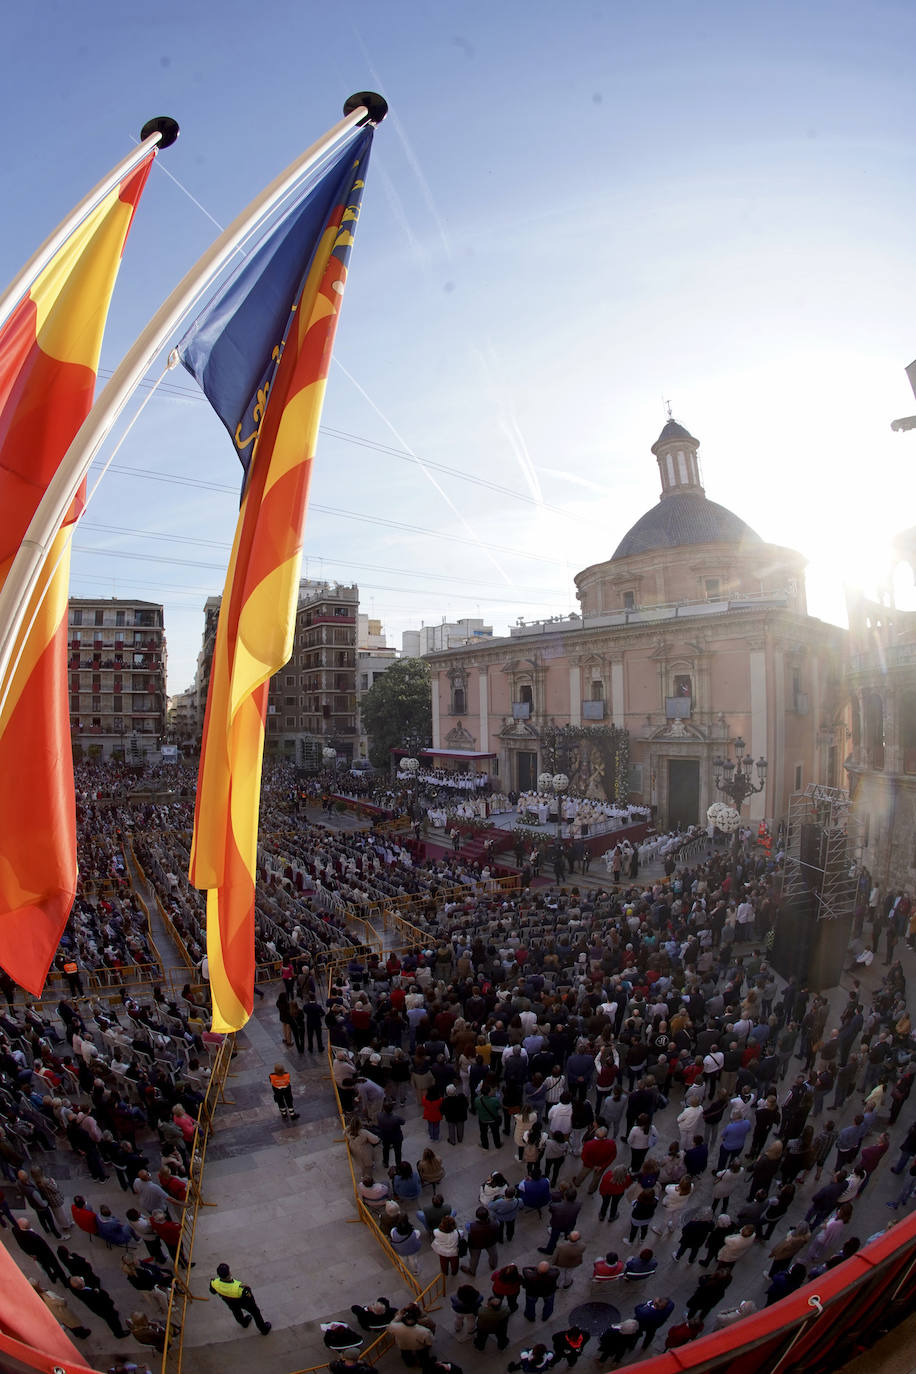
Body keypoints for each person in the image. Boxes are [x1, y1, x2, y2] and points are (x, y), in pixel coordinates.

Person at [209, 1262, 271, 1334]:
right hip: (242, 1301)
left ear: (218, 1274)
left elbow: (213, 1292)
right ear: (229, 1273)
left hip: (229, 1302)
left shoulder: (213, 1282)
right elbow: (251, 1300)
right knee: (255, 1312)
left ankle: (244, 1323)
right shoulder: (240, 1288)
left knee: (236, 1312)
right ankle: (263, 1329)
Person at [12, 1218, 66, 1284]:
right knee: (55, 1266)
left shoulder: (15, 1230)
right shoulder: (33, 1236)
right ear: (27, 1226)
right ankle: (64, 1281)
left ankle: (52, 1278)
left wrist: (30, 1254)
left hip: (36, 1255)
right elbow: (43, 1246)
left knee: (46, 1267)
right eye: (29, 1223)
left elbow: (21, 1245)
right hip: (44, 1253)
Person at [389, 1303, 435, 1368]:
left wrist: (400, 1315)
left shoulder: (395, 1326)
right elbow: (430, 1340)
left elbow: (390, 1325)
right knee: (423, 1356)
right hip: (418, 1346)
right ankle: (424, 1364)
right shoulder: (424, 1331)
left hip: (403, 1344)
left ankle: (409, 1363)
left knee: (406, 1354)